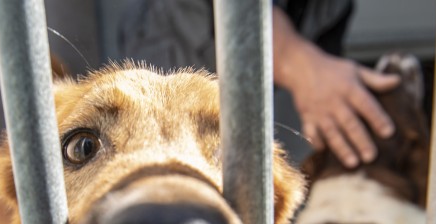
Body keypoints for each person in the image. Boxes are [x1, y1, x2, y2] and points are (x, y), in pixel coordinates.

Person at [118, 0, 400, 167]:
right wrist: (302, 66)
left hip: (250, 103)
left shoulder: (333, 6)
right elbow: (243, 12)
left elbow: (323, 75)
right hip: (175, 49)